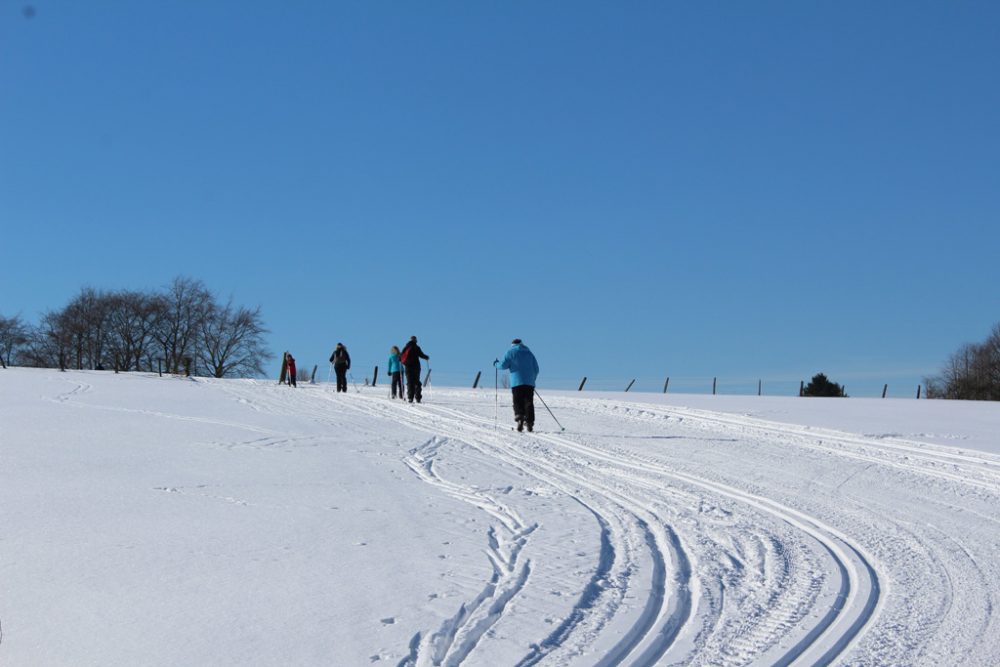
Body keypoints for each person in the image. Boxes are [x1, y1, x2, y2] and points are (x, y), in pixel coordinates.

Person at [495, 338, 539, 432]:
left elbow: (503, 365)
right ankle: (530, 422)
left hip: (517, 382)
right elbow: (536, 369)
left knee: (517, 401)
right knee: (528, 402)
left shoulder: (510, 352)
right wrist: (532, 379)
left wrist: (496, 364)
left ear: (512, 345)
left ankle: (519, 417)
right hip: (529, 383)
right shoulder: (529, 353)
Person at [400, 336, 429, 403]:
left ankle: (410, 398)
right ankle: (418, 398)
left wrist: (400, 359)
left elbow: (401, 356)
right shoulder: (416, 347)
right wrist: (426, 357)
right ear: (415, 341)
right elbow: (421, 355)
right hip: (416, 367)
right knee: (417, 382)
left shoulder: (406, 347)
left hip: (408, 367)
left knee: (410, 382)